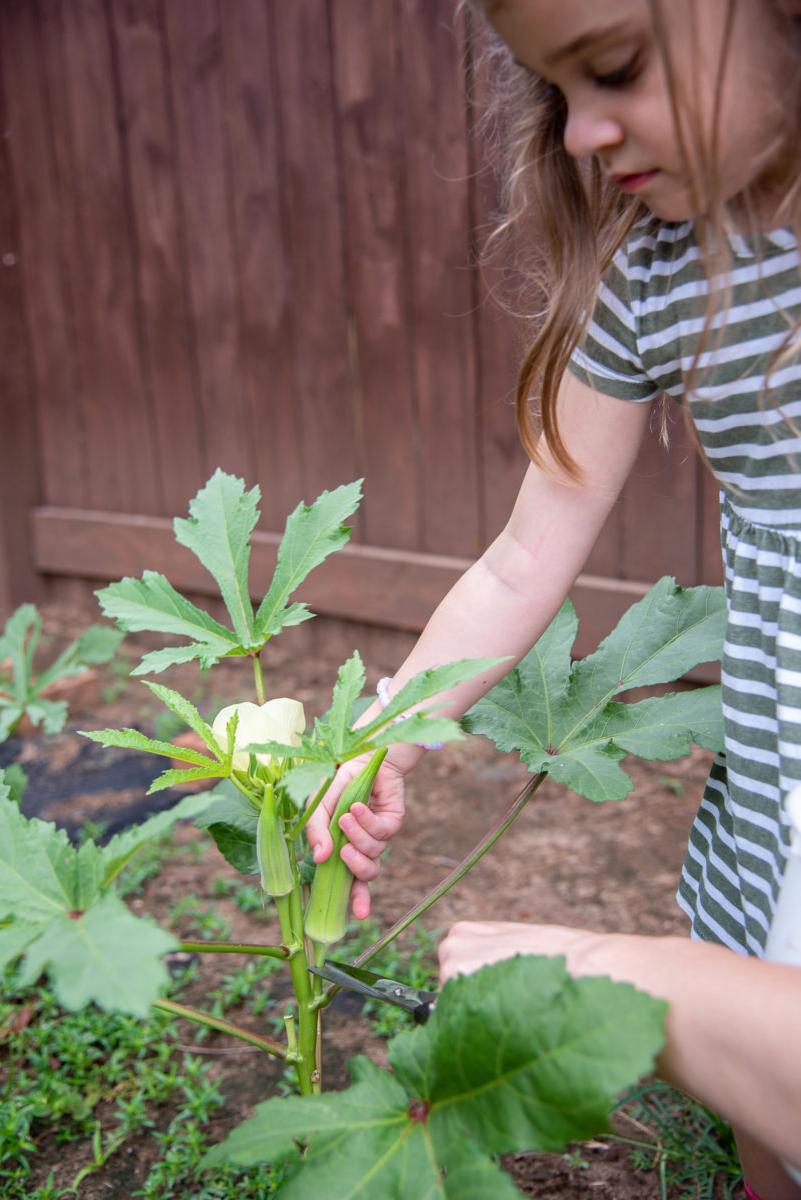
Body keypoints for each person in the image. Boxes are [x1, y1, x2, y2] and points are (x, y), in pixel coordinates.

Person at [306, 1, 801, 1193]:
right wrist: (386, 735)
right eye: (556, 93)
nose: (581, 131)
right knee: (767, 1113)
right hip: (776, 794)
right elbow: (527, 554)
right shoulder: (660, 273)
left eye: (617, 69)